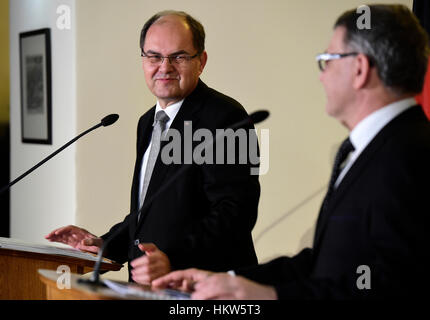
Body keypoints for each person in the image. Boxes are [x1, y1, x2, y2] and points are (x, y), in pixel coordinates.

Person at [153, 4, 430, 299]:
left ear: (359, 69)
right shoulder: (373, 148)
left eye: (328, 60)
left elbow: (395, 284)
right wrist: (229, 280)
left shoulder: (410, 155)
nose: (322, 76)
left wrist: (271, 297)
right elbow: (323, 263)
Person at [46, 10, 260, 284]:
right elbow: (150, 211)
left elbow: (235, 213)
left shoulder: (226, 118)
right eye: (154, 56)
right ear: (144, 61)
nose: (165, 67)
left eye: (179, 56)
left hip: (202, 287)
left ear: (201, 61)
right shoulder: (148, 122)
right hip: (150, 287)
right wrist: (104, 244)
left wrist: (172, 256)